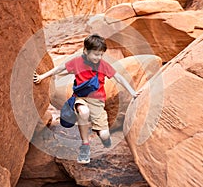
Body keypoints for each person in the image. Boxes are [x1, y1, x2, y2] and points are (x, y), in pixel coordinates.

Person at [33, 34, 140, 164]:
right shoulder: (77, 62)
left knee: (105, 135)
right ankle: (85, 146)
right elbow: (58, 69)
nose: (98, 58)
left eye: (101, 54)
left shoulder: (103, 65)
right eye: (95, 54)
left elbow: (119, 77)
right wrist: (41, 76)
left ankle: (101, 133)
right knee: (84, 112)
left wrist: (132, 92)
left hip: (98, 103)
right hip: (81, 98)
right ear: (85, 51)